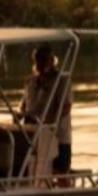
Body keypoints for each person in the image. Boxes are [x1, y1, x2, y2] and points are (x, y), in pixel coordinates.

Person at [21, 43, 73, 176]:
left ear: (51, 60)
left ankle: (64, 190)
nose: (40, 62)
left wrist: (48, 125)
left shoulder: (61, 79)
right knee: (34, 169)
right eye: (38, 59)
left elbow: (66, 107)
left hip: (57, 136)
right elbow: (24, 105)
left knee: (60, 171)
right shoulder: (31, 81)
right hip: (33, 135)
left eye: (43, 59)